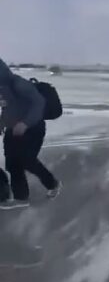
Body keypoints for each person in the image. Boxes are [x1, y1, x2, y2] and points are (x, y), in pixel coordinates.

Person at [0, 58, 61, 210]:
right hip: (13, 129)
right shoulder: (2, 88)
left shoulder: (18, 83)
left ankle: (53, 184)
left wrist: (25, 123)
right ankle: (21, 198)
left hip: (33, 128)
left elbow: (39, 103)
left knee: (27, 160)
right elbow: (8, 109)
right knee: (12, 163)